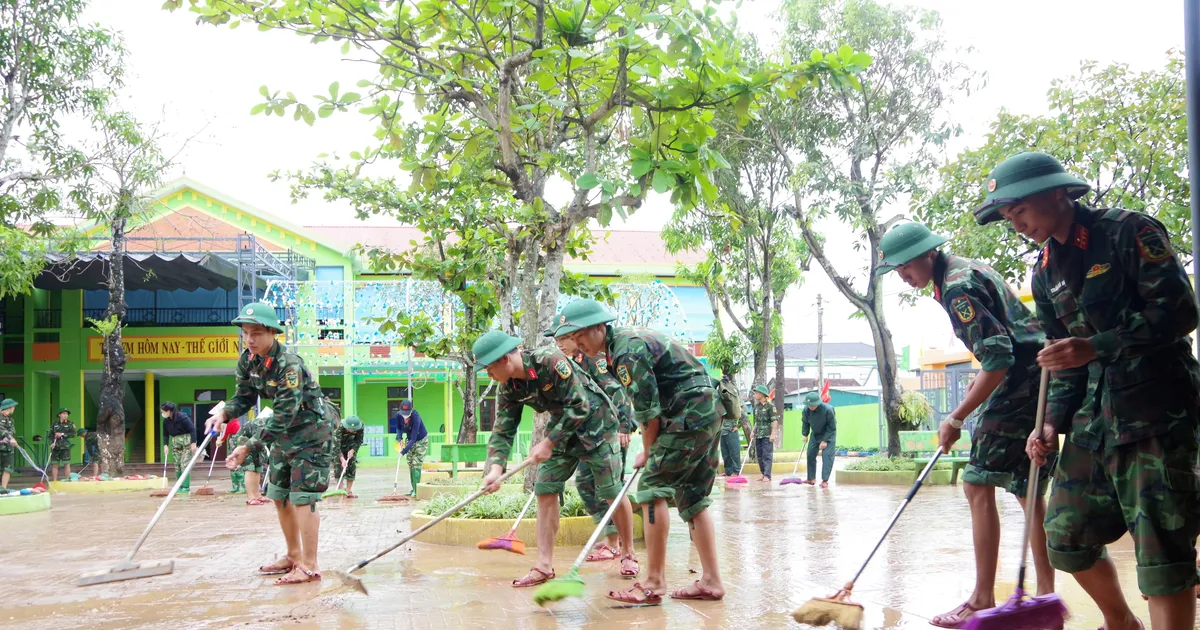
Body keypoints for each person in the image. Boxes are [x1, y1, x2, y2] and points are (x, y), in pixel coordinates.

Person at [977, 151, 1200, 630]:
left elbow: (1180, 311)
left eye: (1020, 210)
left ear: (1058, 192)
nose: (1016, 224)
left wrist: (1097, 346)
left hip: (1156, 414)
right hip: (1093, 423)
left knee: (1163, 554)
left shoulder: (1127, 231)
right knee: (1066, 534)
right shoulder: (1044, 271)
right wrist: (1050, 424)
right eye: (1008, 217)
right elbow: (1065, 365)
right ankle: (1121, 622)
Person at [877, 219, 1057, 625]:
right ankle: (1046, 597)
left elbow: (999, 357)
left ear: (928, 253)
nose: (903, 276)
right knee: (1028, 488)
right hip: (1040, 377)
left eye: (906, 266)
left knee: (977, 483)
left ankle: (981, 599)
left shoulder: (958, 286)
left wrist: (956, 417)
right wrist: (973, 390)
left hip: (1022, 382)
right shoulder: (963, 270)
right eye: (897, 270)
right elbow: (1002, 347)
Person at [552, 298, 725, 604]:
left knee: (651, 490)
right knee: (693, 497)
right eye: (573, 339)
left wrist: (648, 450)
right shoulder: (621, 344)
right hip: (706, 409)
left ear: (599, 327)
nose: (578, 344)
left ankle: (653, 583)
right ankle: (711, 581)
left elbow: (647, 412)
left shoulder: (625, 351)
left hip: (689, 412)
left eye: (581, 336)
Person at [473, 329, 637, 588]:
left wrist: (547, 443)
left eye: (489, 369)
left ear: (504, 359)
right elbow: (503, 430)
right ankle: (544, 566)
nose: (488, 375)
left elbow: (580, 406)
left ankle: (628, 553)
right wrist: (495, 470)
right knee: (545, 489)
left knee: (610, 490)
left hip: (598, 425)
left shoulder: (550, 360)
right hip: (563, 432)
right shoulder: (508, 388)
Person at [210, 302, 333, 586]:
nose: (249, 339)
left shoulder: (289, 365)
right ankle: (293, 555)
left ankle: (309, 566)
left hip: (312, 432)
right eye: (245, 333)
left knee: (303, 497)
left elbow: (284, 413)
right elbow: (243, 397)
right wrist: (224, 414)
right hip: (284, 434)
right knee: (278, 493)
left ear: (272, 333)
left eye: (255, 333)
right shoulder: (247, 360)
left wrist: (248, 446)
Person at [553, 331, 639, 576]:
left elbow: (617, 391)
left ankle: (618, 545)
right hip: (590, 435)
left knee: (611, 488)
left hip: (611, 432)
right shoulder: (572, 363)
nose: (559, 345)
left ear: (575, 337)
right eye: (556, 341)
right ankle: (612, 537)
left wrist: (625, 426)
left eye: (563, 339)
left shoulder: (593, 359)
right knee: (585, 483)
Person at [716, 372, 751, 477]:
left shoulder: (733, 401)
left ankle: (736, 471)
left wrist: (738, 426)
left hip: (731, 430)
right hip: (722, 430)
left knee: (734, 452)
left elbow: (743, 414)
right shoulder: (721, 402)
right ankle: (728, 471)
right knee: (725, 453)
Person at [230, 413, 271, 506]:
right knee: (250, 468)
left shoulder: (277, 426)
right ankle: (251, 498)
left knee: (258, 467)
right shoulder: (263, 425)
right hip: (243, 441)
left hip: (256, 442)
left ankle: (257, 495)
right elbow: (267, 441)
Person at [800, 392, 838, 489]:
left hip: (828, 434)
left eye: (812, 405)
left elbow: (832, 427)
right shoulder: (806, 410)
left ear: (818, 403)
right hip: (815, 434)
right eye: (809, 405)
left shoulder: (828, 410)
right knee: (810, 454)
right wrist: (805, 434)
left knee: (827, 456)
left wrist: (825, 440)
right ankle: (811, 479)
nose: (811, 407)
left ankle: (825, 480)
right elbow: (805, 423)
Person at [161, 402, 198, 494]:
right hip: (175, 442)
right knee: (177, 464)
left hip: (186, 441)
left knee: (184, 463)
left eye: (163, 411)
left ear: (168, 411)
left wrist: (193, 443)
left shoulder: (182, 417)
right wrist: (165, 445)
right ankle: (179, 486)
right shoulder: (166, 421)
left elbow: (192, 429)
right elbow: (165, 434)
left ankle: (185, 487)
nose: (162, 413)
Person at [396, 400, 428, 497]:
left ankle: (417, 490)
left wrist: (403, 452)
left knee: (416, 463)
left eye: (407, 414)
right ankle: (413, 488)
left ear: (411, 411)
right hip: (409, 440)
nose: (405, 417)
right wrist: (399, 438)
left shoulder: (415, 417)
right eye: (403, 414)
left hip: (420, 441)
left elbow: (414, 438)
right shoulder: (398, 415)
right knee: (410, 463)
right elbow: (399, 428)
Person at [750, 385, 777, 482]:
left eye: (756, 393)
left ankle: (767, 475)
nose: (755, 395)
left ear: (762, 394)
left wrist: (773, 434)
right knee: (760, 456)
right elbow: (756, 422)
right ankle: (763, 474)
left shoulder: (770, 406)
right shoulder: (756, 407)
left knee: (767, 455)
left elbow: (774, 420)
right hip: (758, 435)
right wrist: (753, 431)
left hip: (767, 435)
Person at [332, 415, 364, 498]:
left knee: (351, 467)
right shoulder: (339, 427)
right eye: (350, 429)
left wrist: (353, 450)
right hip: (338, 446)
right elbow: (336, 446)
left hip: (351, 446)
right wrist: (342, 459)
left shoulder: (361, 426)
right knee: (338, 467)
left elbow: (359, 440)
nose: (352, 431)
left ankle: (348, 491)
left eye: (354, 430)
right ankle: (341, 490)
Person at [47, 408, 74, 482]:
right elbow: (50, 436)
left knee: (66, 464)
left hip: (65, 447)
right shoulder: (54, 424)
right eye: (64, 413)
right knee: (55, 464)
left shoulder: (70, 424)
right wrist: (51, 443)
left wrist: (62, 434)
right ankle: (54, 481)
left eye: (67, 414)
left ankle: (67, 480)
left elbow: (73, 434)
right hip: (55, 447)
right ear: (59, 415)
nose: (65, 415)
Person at [0, 399, 16, 491]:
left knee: (8, 468)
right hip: (1, 447)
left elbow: (12, 432)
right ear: (10, 407)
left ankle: (3, 488)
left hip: (8, 448)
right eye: (13, 407)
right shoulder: (0, 417)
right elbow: (1, 429)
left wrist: (10, 438)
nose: (14, 409)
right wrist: (10, 438)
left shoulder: (10, 419)